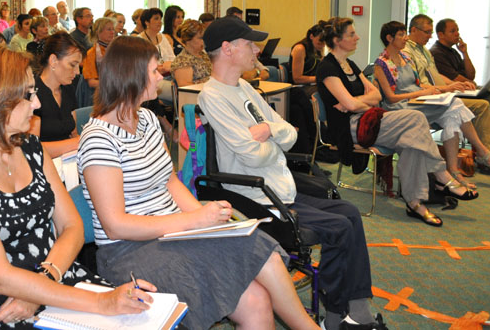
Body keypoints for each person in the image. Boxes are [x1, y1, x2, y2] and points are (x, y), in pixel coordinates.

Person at [78, 36, 318, 330]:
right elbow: (116, 226)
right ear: (131, 76)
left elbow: (169, 181)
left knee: (258, 283)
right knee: (254, 280)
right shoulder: (99, 138)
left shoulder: (148, 120)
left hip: (171, 233)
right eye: (153, 71)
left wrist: (207, 218)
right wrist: (194, 220)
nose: (160, 76)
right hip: (129, 250)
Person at [0, 43, 153, 328]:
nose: (37, 104)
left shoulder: (31, 149)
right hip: (1, 304)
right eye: (28, 94)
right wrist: (100, 302)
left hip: (55, 277)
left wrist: (46, 279)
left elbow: (72, 226)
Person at [198, 16, 385, 330]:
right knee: (339, 227)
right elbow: (252, 156)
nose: (257, 50)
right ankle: (337, 317)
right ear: (227, 49)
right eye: (249, 44)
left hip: (279, 186)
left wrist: (268, 131)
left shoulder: (244, 88)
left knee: (350, 213)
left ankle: (355, 311)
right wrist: (274, 141)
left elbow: (290, 133)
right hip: (256, 197)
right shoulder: (212, 96)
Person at [317, 17, 476, 228]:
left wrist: (355, 102)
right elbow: (354, 104)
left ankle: (416, 202)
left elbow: (374, 96)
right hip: (351, 128)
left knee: (411, 137)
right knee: (415, 121)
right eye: (352, 34)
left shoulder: (350, 65)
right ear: (337, 40)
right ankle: (440, 178)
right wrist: (357, 103)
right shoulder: (327, 68)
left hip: (369, 119)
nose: (358, 37)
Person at [375, 21, 490, 192]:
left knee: (453, 111)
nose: (405, 38)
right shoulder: (382, 64)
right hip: (401, 108)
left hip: (417, 101)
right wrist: (421, 93)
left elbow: (418, 84)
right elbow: (392, 98)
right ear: (389, 38)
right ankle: (475, 157)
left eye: (404, 34)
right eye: (401, 35)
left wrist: (439, 89)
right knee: (455, 106)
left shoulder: (406, 58)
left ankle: (453, 171)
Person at [405, 14, 490, 176]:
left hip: (439, 93)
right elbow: (415, 84)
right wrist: (448, 88)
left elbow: (439, 75)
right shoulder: (407, 52)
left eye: (431, 32)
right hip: (426, 97)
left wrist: (452, 85)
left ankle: (465, 164)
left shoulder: (425, 51)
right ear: (413, 30)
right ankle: (486, 154)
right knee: (481, 105)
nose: (430, 36)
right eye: (427, 32)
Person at [430, 18, 490, 116]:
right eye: (452, 31)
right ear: (441, 35)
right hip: (457, 89)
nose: (457, 34)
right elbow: (456, 78)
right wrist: (471, 83)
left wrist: (465, 53)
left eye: (457, 30)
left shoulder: (453, 51)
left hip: (467, 86)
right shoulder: (437, 52)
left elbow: (471, 75)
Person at [32, 32, 85, 158]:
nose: (77, 72)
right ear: (53, 61)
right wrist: (78, 142)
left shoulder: (68, 89)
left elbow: (73, 133)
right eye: (72, 65)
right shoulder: (32, 94)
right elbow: (32, 148)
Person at [286, 21, 327, 154]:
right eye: (320, 41)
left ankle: (324, 133)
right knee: (327, 93)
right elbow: (297, 78)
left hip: (310, 85)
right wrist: (318, 79)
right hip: (298, 87)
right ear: (311, 36)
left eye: (324, 42)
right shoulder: (300, 49)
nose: (322, 45)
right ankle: (321, 132)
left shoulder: (318, 49)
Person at [170, 19, 211, 87]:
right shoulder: (182, 61)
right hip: (197, 93)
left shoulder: (204, 55)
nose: (204, 41)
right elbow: (185, 87)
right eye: (200, 38)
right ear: (188, 39)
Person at [81, 16, 116, 89]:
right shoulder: (91, 53)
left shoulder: (117, 49)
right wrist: (115, 84)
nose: (112, 32)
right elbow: (92, 82)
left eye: (113, 29)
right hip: (99, 91)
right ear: (98, 32)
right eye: (109, 29)